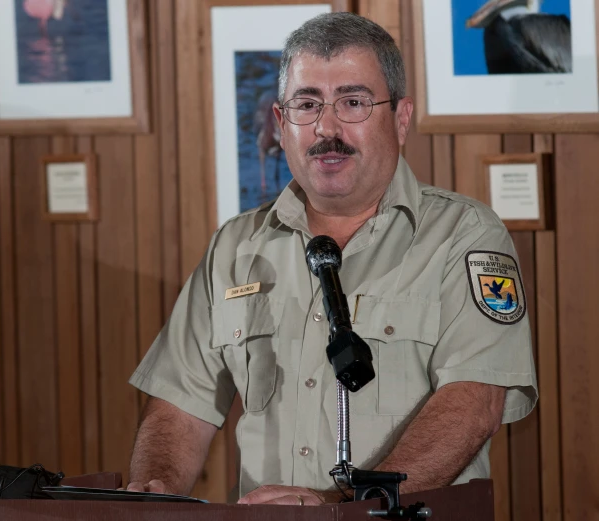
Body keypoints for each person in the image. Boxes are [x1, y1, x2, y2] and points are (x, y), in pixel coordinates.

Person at [126, 12, 538, 506]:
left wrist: (346, 510)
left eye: (354, 102)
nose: (327, 126)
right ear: (281, 124)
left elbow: (473, 406)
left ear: (401, 118)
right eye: (307, 104)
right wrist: (155, 496)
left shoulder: (464, 236)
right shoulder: (234, 249)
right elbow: (179, 405)